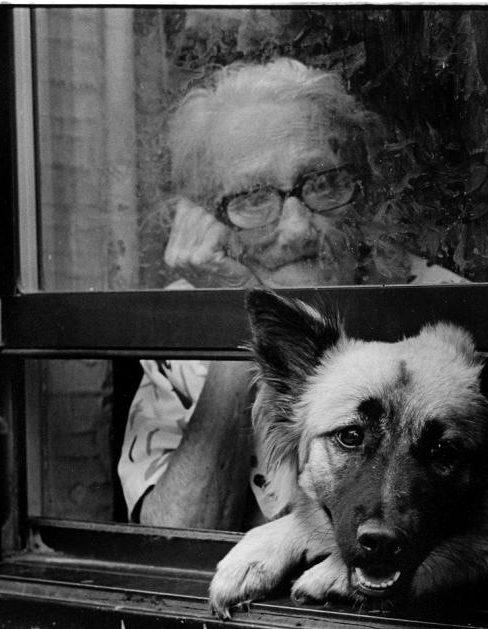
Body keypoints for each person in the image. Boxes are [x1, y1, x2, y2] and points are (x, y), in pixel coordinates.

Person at [120, 57, 465, 529]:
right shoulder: (185, 323)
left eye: (323, 183)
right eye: (253, 198)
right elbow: (175, 536)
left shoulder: (446, 309)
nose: (298, 228)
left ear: (360, 186)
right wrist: (237, 319)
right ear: (207, 220)